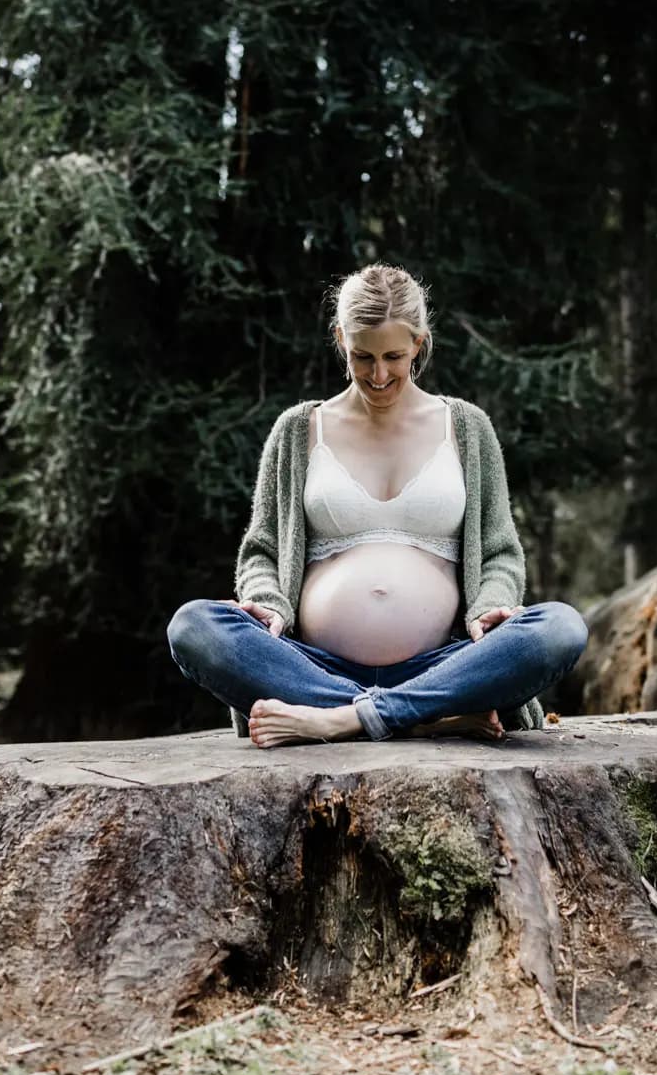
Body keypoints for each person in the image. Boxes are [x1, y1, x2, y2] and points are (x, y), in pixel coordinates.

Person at [167, 264, 588, 748]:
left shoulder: (466, 427)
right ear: (340, 339)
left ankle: (342, 719)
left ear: (418, 343)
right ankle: (420, 716)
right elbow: (262, 549)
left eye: (394, 356)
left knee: (560, 627)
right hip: (313, 667)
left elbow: (499, 553)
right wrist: (265, 602)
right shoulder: (299, 429)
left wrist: (492, 605)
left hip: (444, 665)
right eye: (363, 357)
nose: (379, 374)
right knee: (193, 626)